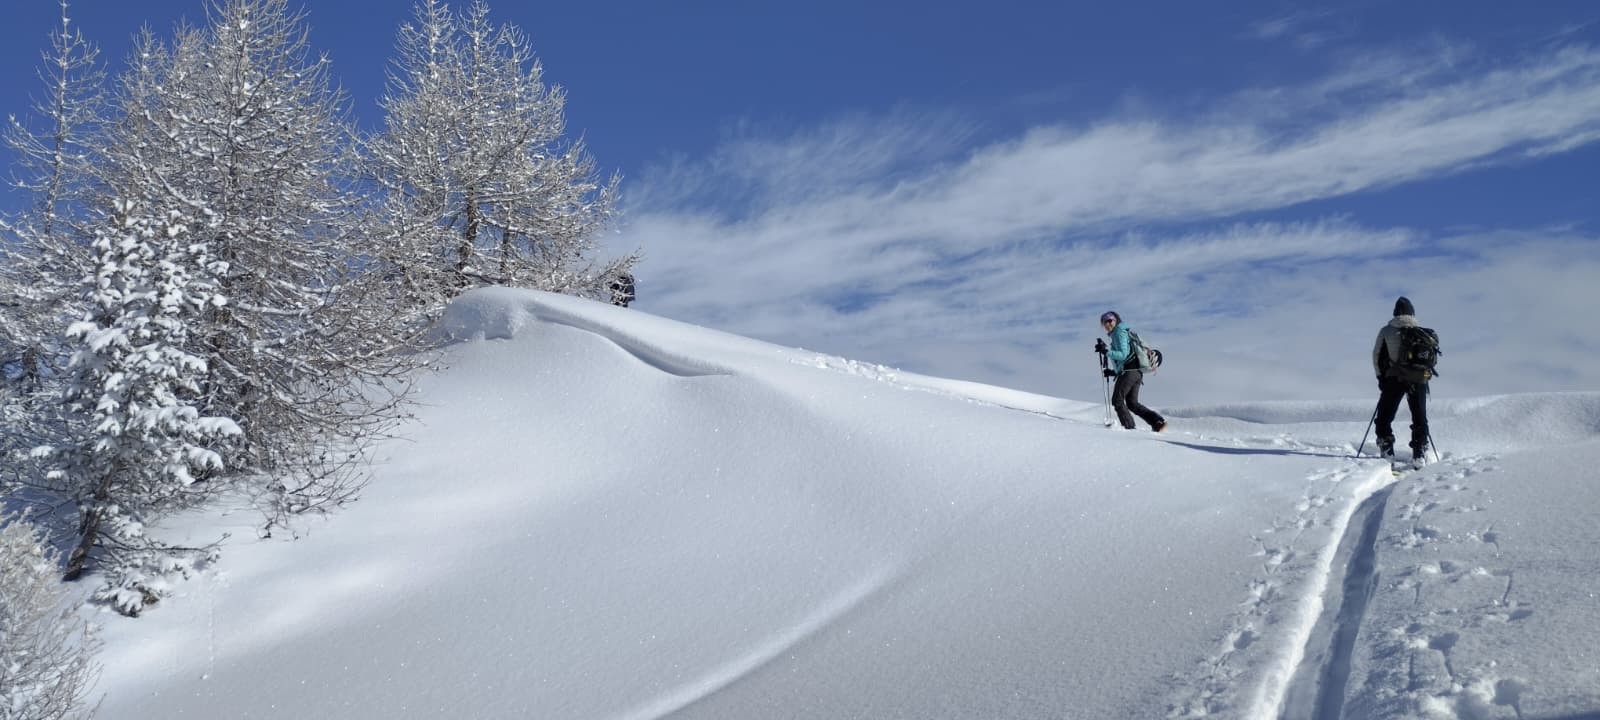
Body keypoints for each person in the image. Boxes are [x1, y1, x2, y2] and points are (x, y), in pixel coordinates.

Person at [1372, 296, 1431, 463]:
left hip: (1395, 378)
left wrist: (1380, 377)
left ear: (1395, 312)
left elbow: (1377, 355)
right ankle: (1419, 452)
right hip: (1418, 379)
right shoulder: (1421, 331)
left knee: (1384, 416)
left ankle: (1387, 450)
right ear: (1412, 313)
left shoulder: (1386, 330)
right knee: (1419, 416)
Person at [1099, 311, 1167, 432]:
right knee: (1132, 403)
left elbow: (1123, 355)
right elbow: (1127, 358)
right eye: (1104, 322)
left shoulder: (1119, 332)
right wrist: (1112, 372)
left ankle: (1129, 429)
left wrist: (1106, 352)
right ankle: (1157, 422)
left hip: (1129, 372)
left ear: (1116, 320)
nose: (1107, 323)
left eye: (1110, 320)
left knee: (1117, 400)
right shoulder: (1121, 332)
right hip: (1136, 373)